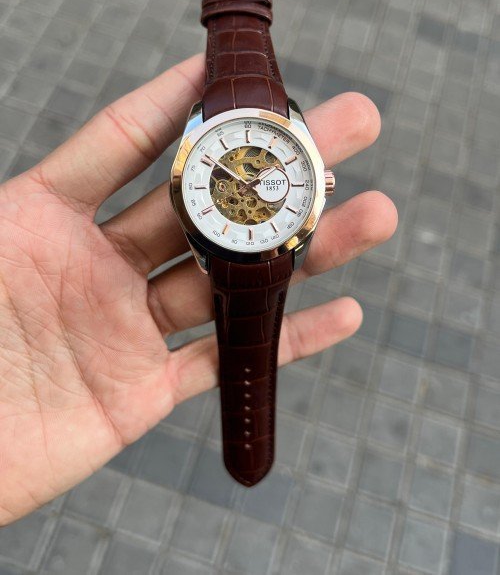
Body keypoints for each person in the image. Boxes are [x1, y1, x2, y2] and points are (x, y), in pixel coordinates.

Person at [0, 53, 397, 525]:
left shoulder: (247, 157)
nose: (250, 190)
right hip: (229, 244)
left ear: (318, 185)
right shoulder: (205, 166)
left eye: (261, 183)